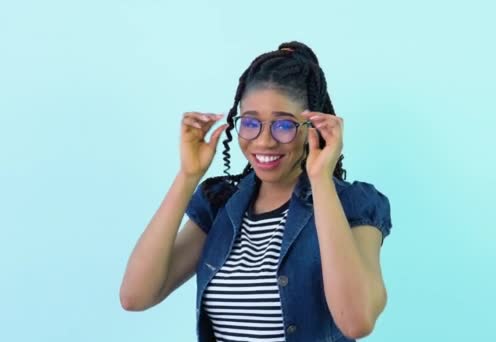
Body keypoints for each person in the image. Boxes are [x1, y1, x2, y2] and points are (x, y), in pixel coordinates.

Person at [120, 41, 392, 342]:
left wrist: (321, 180)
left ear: (312, 126)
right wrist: (188, 175)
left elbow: (356, 322)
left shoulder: (352, 204)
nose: (263, 142)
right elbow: (136, 297)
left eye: (284, 125)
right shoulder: (219, 205)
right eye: (250, 123)